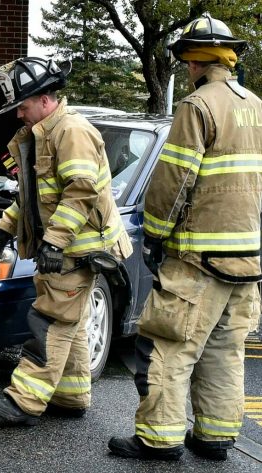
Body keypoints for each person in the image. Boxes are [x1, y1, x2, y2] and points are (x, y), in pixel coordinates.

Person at [108, 13, 262, 461]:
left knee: (169, 345)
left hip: (197, 258)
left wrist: (154, 236)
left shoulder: (197, 107)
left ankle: (159, 438)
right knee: (225, 349)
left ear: (194, 62)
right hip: (248, 258)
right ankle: (215, 438)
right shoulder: (256, 105)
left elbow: (173, 180)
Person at [0, 57, 132, 426]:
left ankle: (24, 400)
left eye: (23, 106)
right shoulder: (43, 135)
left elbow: (81, 192)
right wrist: (4, 227)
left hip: (79, 249)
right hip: (69, 246)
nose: (19, 114)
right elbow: (33, 197)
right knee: (72, 321)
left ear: (44, 99)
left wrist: (53, 242)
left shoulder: (71, 132)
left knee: (51, 319)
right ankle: (70, 395)